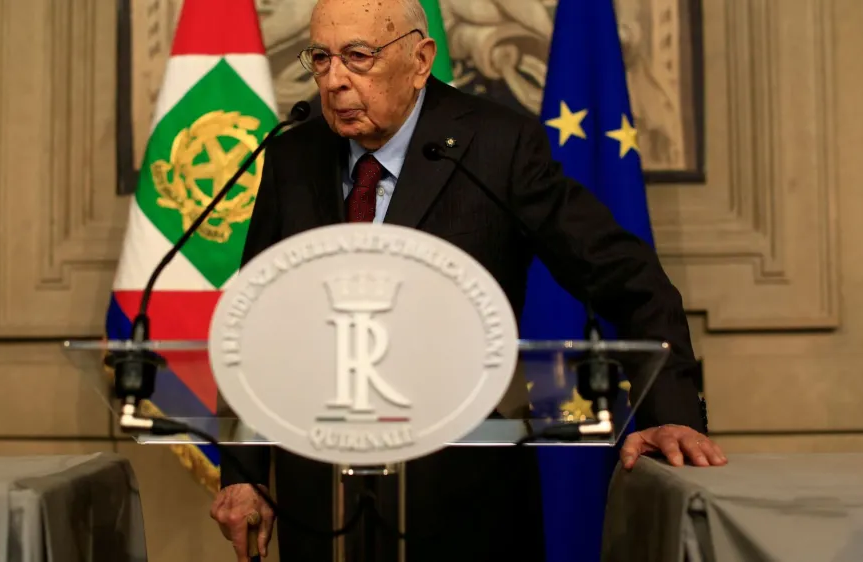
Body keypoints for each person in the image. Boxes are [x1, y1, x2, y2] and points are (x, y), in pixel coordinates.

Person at [211, 0, 727, 560]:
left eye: (358, 57)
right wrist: (243, 472)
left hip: (465, 496)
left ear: (419, 59)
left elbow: (628, 277)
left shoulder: (496, 145)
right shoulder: (293, 152)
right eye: (321, 58)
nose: (335, 81)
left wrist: (671, 413)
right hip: (319, 499)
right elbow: (257, 322)